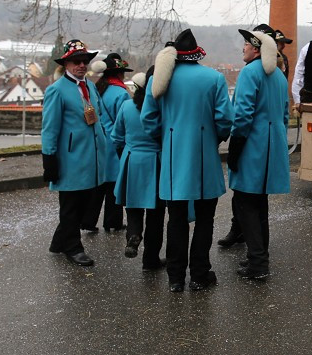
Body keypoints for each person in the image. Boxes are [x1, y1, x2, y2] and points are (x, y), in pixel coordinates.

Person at [141, 29, 233, 293]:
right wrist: (214, 138)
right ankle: (199, 274)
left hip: (172, 156)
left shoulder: (159, 80)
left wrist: (166, 139)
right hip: (204, 156)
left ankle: (175, 277)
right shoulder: (214, 78)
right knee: (206, 219)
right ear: (196, 54)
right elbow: (225, 119)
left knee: (176, 219)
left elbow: (148, 120)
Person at [227, 24, 291, 280]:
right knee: (259, 203)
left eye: (246, 44)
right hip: (272, 145)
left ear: (255, 49)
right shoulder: (278, 74)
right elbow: (285, 114)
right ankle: (259, 257)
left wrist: (235, 146)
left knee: (246, 204)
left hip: (253, 145)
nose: (242, 48)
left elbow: (242, 114)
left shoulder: (249, 72)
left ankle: (258, 263)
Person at [41, 40, 111, 267]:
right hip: (71, 158)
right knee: (71, 205)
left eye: (84, 61)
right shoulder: (56, 90)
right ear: (67, 64)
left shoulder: (89, 86)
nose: (81, 65)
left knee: (84, 203)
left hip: (92, 157)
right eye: (76, 62)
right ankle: (73, 247)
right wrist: (49, 158)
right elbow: (49, 128)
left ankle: (59, 241)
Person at [112, 67, 166, 270]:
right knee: (156, 214)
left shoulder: (126, 106)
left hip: (132, 159)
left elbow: (116, 138)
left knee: (133, 206)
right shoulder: (161, 108)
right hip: (156, 161)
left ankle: (133, 235)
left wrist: (124, 154)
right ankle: (150, 258)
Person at [82, 53, 132, 233]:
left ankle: (87, 220)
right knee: (114, 185)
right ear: (119, 73)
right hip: (115, 143)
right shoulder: (121, 93)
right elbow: (125, 121)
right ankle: (112, 221)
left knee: (99, 185)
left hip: (99, 141)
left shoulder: (96, 89)